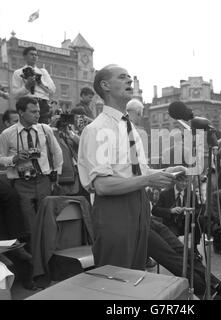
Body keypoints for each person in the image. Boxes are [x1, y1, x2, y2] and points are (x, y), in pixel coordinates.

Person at [78, 64, 184, 270]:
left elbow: (138, 171)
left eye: (129, 77)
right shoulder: (96, 129)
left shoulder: (130, 128)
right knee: (115, 277)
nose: (129, 80)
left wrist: (165, 173)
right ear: (105, 85)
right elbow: (103, 186)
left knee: (136, 273)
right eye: (122, 77)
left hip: (140, 205)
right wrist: (147, 180)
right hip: (114, 209)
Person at [149, 217, 221, 300]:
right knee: (173, 258)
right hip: (134, 222)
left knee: (186, 253)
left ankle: (219, 286)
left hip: (146, 217)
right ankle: (209, 293)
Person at [0, 97, 63, 243]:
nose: (37, 115)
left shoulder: (45, 129)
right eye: (33, 111)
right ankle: (35, 258)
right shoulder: (7, 134)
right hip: (22, 182)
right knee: (29, 224)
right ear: (21, 112)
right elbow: (1, 158)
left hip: (44, 180)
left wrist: (56, 175)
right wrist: (14, 159)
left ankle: (49, 254)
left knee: (48, 221)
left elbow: (57, 152)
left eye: (38, 111)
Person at [152, 174, 202, 245]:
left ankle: (194, 248)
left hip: (187, 222)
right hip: (172, 223)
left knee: (200, 221)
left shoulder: (191, 194)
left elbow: (198, 210)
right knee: (173, 240)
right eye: (181, 181)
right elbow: (154, 210)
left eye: (186, 181)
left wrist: (190, 211)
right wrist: (170, 211)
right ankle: (175, 251)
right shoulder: (165, 193)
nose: (184, 184)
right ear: (175, 181)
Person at [12, 46, 56, 124]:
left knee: (43, 129)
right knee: (29, 128)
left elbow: (52, 90)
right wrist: (27, 86)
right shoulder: (18, 73)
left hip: (43, 104)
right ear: (25, 56)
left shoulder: (43, 72)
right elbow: (15, 95)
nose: (34, 56)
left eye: (36, 55)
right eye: (31, 54)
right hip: (27, 103)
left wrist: (40, 83)